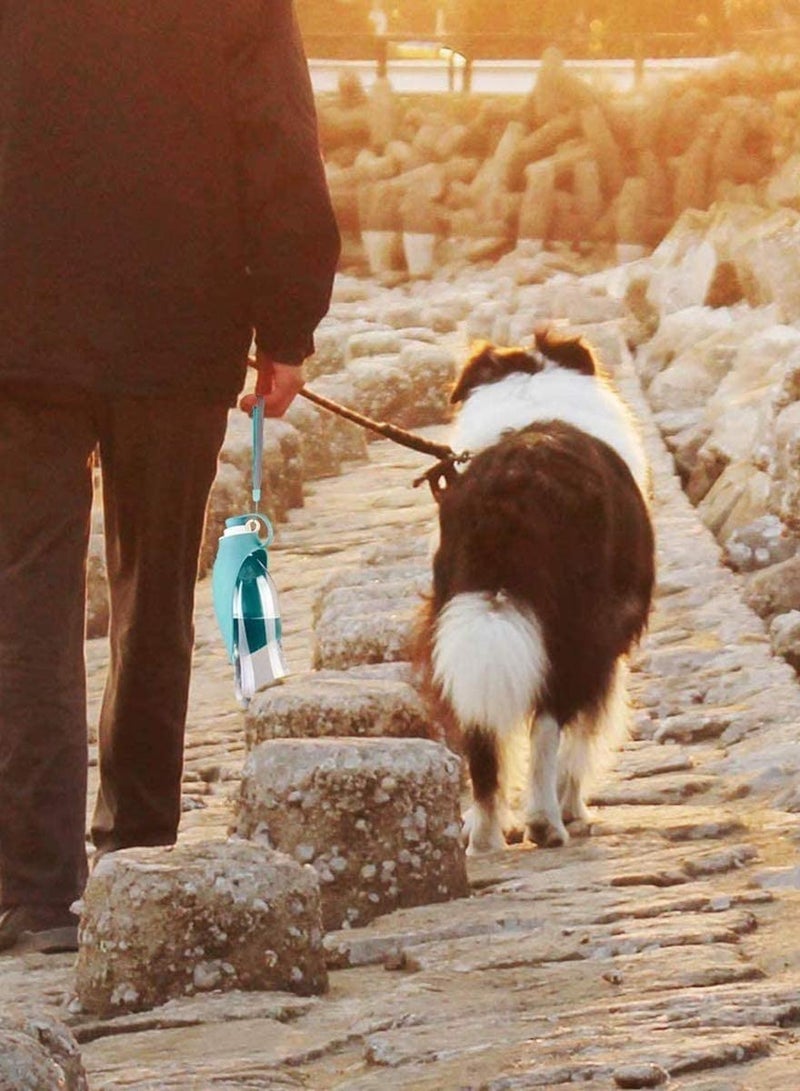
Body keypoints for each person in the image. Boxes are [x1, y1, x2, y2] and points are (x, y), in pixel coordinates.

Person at [0, 0, 340, 953]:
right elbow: (278, 133)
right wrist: (286, 324)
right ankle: (138, 849)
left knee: (25, 588)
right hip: (176, 315)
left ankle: (32, 891)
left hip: (19, 315)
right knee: (153, 587)